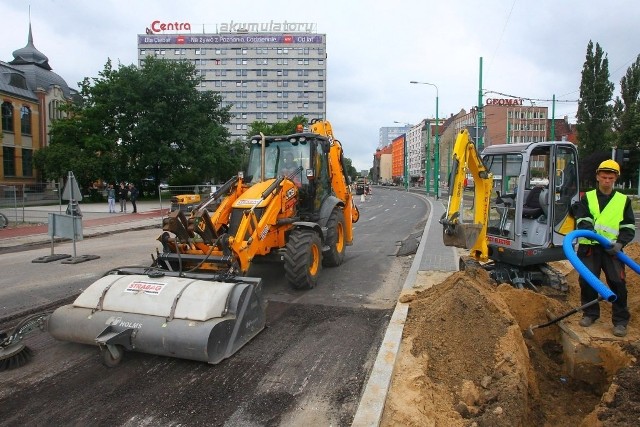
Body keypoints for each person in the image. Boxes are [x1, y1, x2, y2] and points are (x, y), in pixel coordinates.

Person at [574, 159, 636, 337]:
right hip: (590, 248)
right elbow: (583, 220)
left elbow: (628, 226)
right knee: (587, 281)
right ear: (598, 177)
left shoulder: (623, 201)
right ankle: (590, 314)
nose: (607, 180)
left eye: (610, 177)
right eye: (604, 177)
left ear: (616, 178)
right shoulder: (588, 197)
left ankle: (621, 321)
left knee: (617, 283)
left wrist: (620, 244)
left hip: (613, 251)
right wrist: (596, 237)